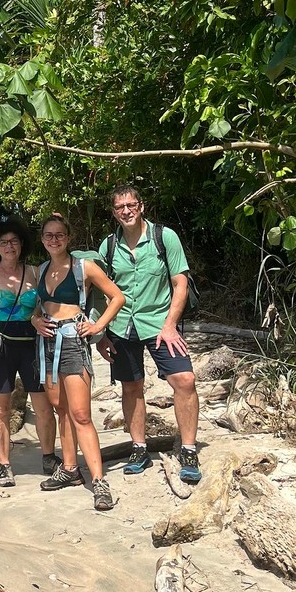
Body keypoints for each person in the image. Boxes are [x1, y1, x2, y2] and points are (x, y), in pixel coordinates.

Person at [95, 184, 202, 484]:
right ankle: (139, 448)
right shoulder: (108, 246)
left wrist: (170, 325)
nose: (126, 211)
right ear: (114, 212)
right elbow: (96, 290)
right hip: (121, 326)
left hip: (159, 323)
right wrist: (100, 333)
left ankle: (189, 450)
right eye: (120, 207)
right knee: (131, 387)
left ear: (141, 206)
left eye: (131, 205)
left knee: (185, 380)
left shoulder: (164, 237)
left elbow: (180, 282)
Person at [31, 213, 126, 512]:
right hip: (46, 343)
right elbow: (35, 307)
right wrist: (35, 321)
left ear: (68, 238)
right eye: (49, 235)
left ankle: (98, 481)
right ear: (42, 238)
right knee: (61, 409)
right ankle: (70, 468)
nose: (54, 240)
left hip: (73, 341)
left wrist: (97, 328)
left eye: (59, 235)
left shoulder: (84, 267)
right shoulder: (42, 269)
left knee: (81, 414)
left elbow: (117, 297)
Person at [0, 217, 58, 488]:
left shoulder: (34, 271)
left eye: (14, 241)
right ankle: (5, 465)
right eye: (4, 242)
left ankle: (48, 457)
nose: (10, 246)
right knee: (0, 407)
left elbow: (46, 306)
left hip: (31, 344)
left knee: (43, 406)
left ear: (22, 244)